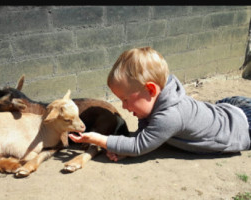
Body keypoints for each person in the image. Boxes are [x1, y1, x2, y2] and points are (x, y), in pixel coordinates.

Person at [69, 46, 251, 162]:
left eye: (126, 99)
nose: (123, 107)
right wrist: (125, 150)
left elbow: (139, 145)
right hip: (227, 107)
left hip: (243, 125)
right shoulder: (153, 105)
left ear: (150, 90)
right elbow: (143, 135)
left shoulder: (170, 116)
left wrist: (98, 139)